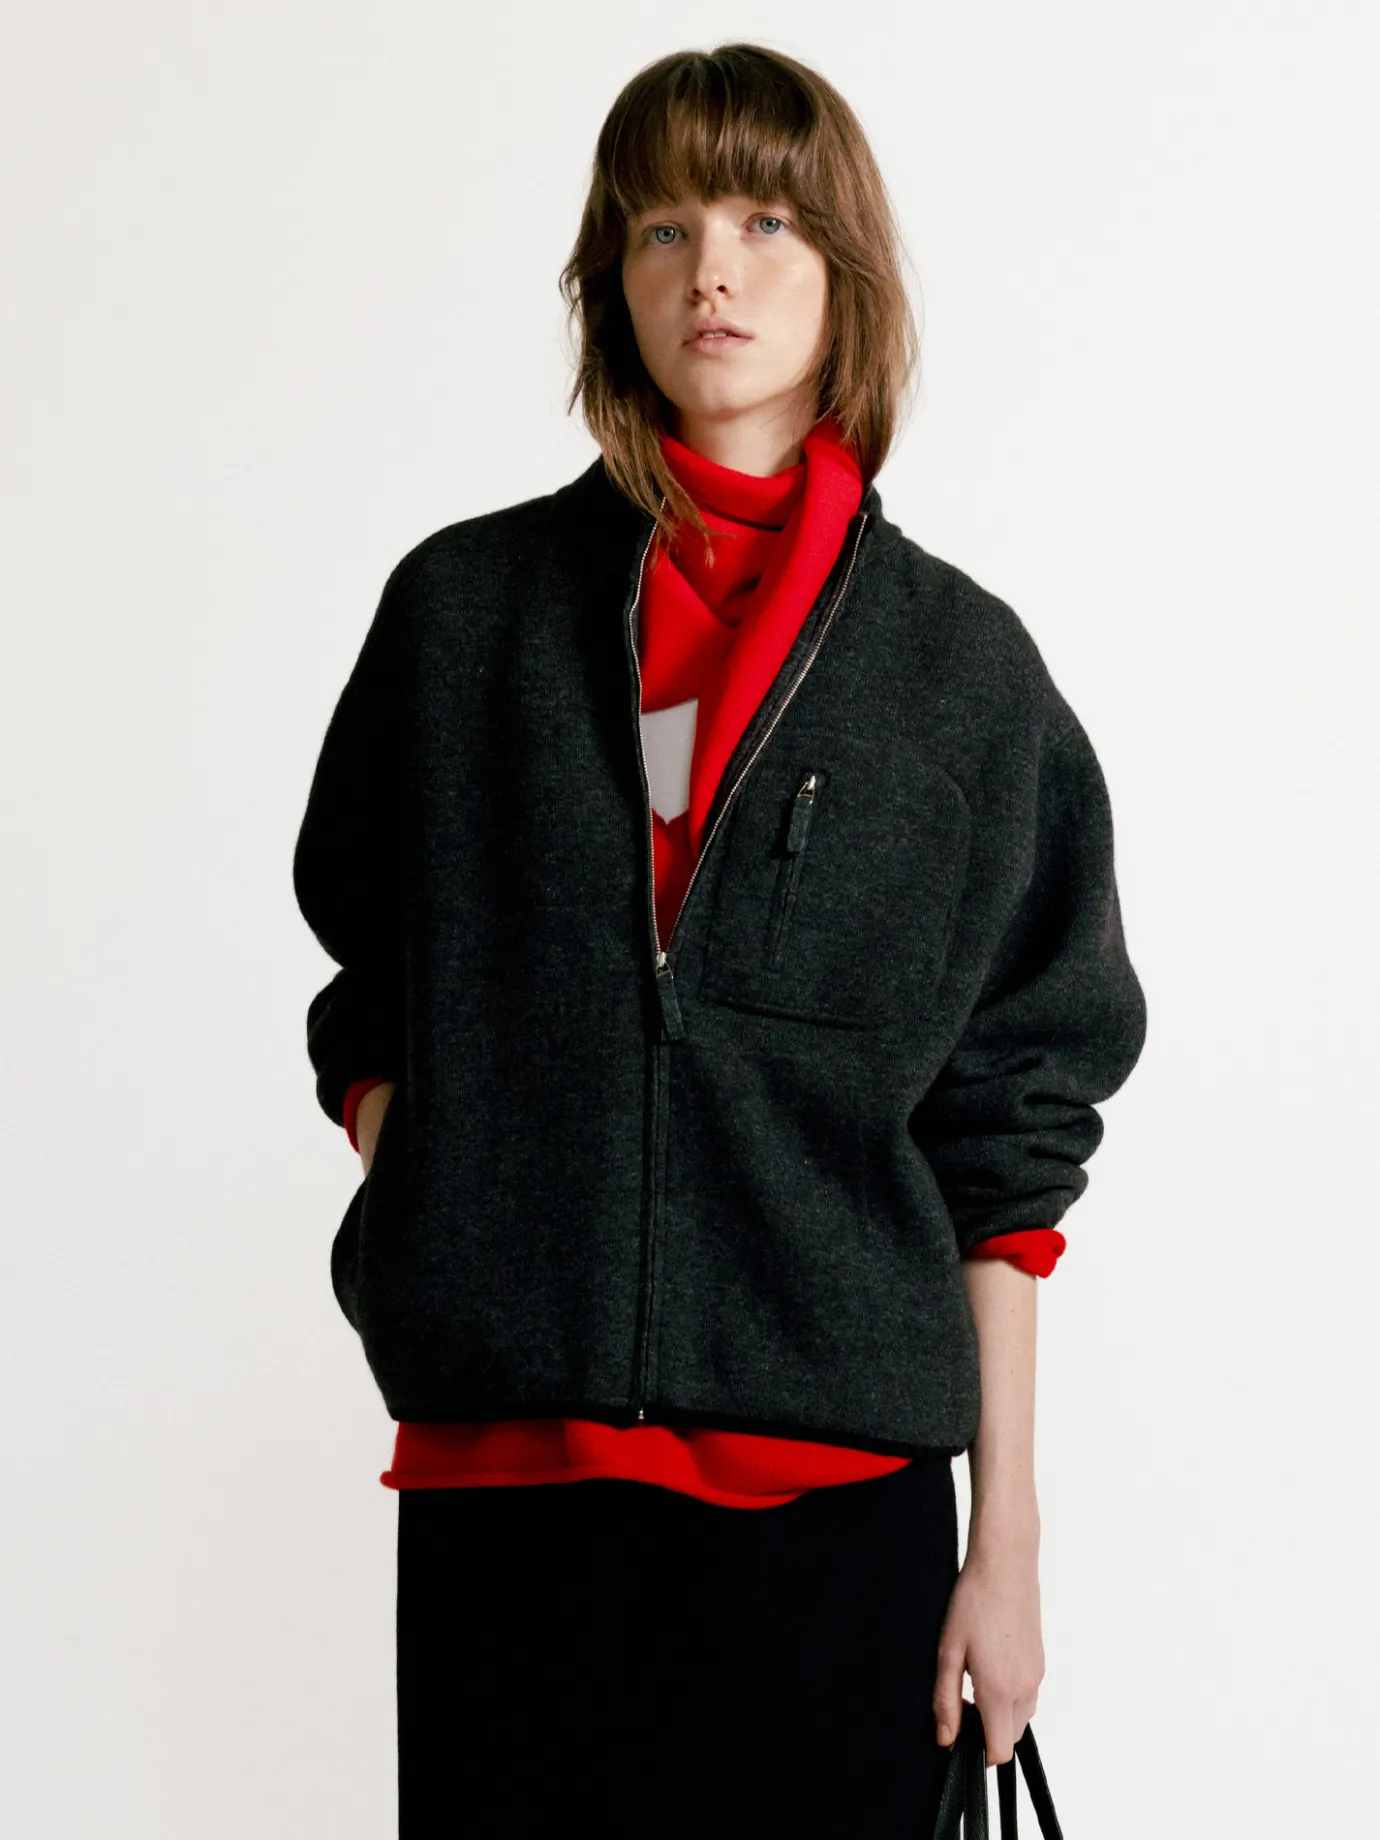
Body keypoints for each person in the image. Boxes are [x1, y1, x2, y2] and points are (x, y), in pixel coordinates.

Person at [291, 41, 1148, 1840]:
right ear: (611, 277)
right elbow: (368, 967)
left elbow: (1008, 1134)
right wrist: (431, 1183)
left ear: (846, 270)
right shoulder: (465, 615)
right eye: (665, 227)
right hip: (510, 1493)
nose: (714, 272)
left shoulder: (960, 677)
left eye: (766, 222)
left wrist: (1007, 1546)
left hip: (837, 1522)